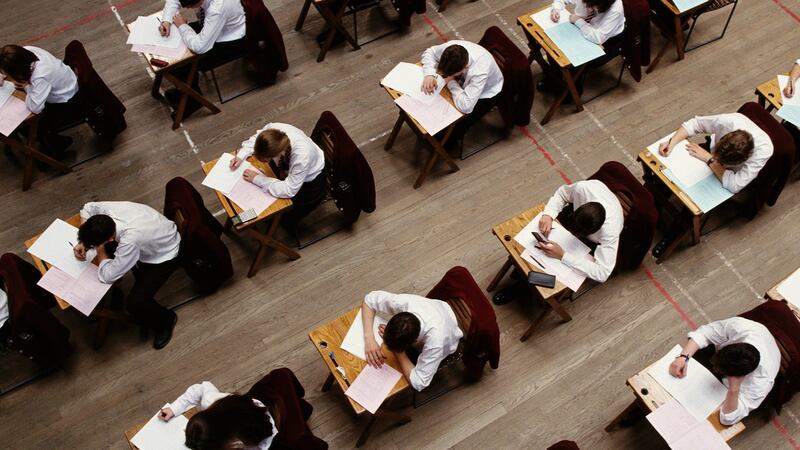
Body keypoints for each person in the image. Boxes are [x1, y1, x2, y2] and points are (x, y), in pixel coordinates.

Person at [73, 201, 181, 349]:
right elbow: (87, 207)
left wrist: (101, 251)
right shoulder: (107, 212)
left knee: (135, 303)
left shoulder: (130, 240)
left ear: (109, 239)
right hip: (155, 231)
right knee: (115, 261)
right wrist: (83, 242)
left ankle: (166, 320)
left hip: (165, 255)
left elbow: (108, 276)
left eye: (96, 244)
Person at [668, 316, 780, 425]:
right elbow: (705, 333)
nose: (714, 369)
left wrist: (734, 388)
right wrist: (684, 357)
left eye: (718, 369)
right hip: (758, 332)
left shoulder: (761, 382)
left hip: (743, 380)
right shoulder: (739, 327)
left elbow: (728, 418)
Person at [158, 0, 246, 118]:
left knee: (178, 61)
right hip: (213, 26)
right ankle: (186, 91)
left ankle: (192, 101)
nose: (188, 9)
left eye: (190, 5)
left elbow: (200, 47)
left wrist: (182, 26)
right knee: (175, 44)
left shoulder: (217, 9)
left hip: (229, 42)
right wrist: (167, 20)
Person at [361, 290, 463, 391]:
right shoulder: (404, 302)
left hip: (449, 336)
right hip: (438, 309)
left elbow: (420, 383)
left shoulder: (436, 343)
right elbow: (370, 299)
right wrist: (369, 338)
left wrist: (399, 353)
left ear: (414, 342)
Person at [231, 122, 326, 229]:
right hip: (284, 170)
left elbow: (289, 190)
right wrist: (241, 155)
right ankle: (236, 219)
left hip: (308, 183)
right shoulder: (273, 130)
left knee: (285, 219)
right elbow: (256, 139)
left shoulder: (302, 157)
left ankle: (239, 221)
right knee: (254, 199)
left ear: (274, 154)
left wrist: (257, 179)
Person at [658, 113, 773, 194]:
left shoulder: (764, 150)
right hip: (710, 152)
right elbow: (695, 124)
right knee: (667, 172)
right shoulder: (727, 121)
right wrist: (671, 142)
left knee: (693, 195)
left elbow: (735, 185)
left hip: (729, 173)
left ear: (747, 158)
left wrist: (710, 159)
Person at [420, 40, 504, 150]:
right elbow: (429, 52)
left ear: (465, 67)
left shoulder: (479, 71)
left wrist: (451, 82)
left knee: (450, 129)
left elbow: (466, 106)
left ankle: (445, 146)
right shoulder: (451, 49)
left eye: (451, 73)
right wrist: (429, 74)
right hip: (460, 83)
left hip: (487, 94)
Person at [538, 180, 624, 283]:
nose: (574, 235)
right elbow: (562, 193)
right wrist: (548, 214)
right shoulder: (582, 189)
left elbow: (603, 273)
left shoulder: (610, 232)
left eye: (577, 234)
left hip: (595, 240)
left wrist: (563, 255)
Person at [0, 44, 80, 155]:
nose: (5, 75)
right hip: (65, 81)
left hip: (66, 102)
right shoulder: (27, 51)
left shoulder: (40, 76)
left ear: (17, 70)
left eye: (6, 72)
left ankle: (56, 145)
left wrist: (26, 87)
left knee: (24, 123)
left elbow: (35, 108)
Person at [539, 0, 625, 95]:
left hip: (608, 41)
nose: (587, 7)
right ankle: (555, 79)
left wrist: (578, 21)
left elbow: (598, 37)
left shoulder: (616, 9)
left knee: (576, 61)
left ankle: (573, 92)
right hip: (583, 29)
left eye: (591, 6)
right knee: (553, 47)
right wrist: (555, 9)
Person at [159, 381, 277, 449]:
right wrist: (175, 408)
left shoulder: (264, 443)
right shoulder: (211, 400)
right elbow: (200, 389)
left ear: (234, 444)